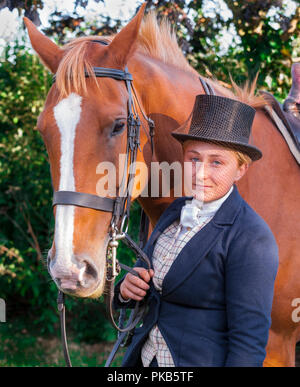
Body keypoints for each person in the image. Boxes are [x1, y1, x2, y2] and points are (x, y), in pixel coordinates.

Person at [113, 94, 279, 367]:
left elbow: (248, 344)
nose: (200, 173)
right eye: (194, 158)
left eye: (217, 162)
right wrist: (126, 289)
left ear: (240, 169)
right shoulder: (173, 212)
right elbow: (158, 292)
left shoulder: (252, 238)